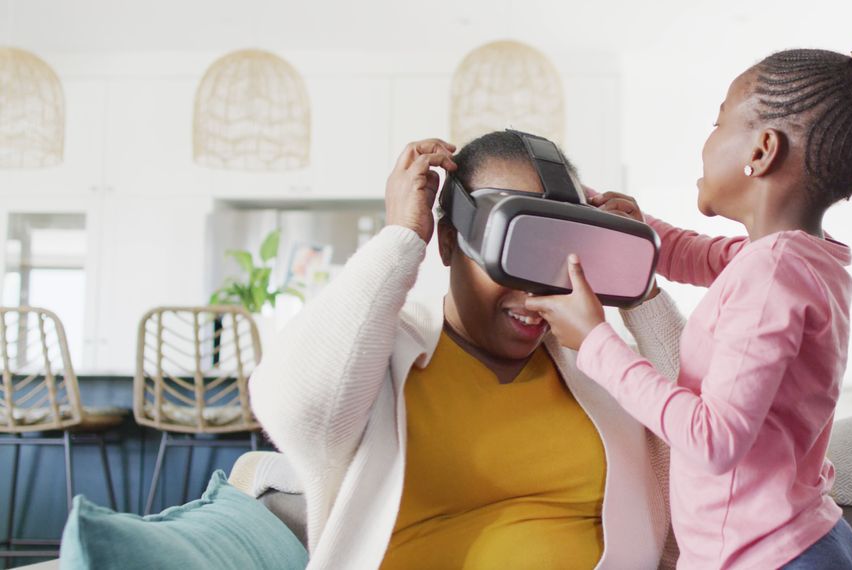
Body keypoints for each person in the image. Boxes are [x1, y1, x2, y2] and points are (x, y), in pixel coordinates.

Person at [524, 27, 852, 569]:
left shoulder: (772, 274)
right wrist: (636, 225)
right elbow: (699, 256)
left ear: (762, 152)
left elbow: (712, 439)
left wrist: (595, 342)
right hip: (794, 543)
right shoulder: (797, 258)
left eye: (718, 122)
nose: (708, 138)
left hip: (770, 557)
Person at [251, 131, 681, 569]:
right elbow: (294, 407)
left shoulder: (599, 366)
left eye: (556, 256)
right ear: (448, 240)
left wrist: (640, 290)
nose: (535, 291)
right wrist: (400, 236)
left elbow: (705, 434)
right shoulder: (385, 354)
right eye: (514, 250)